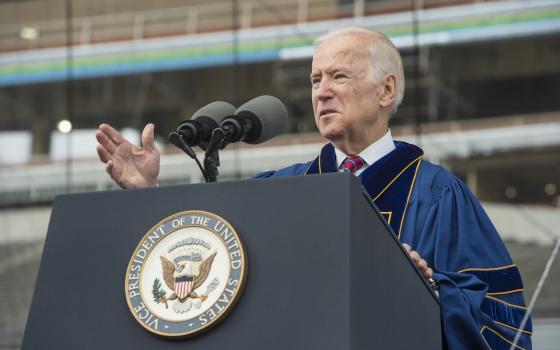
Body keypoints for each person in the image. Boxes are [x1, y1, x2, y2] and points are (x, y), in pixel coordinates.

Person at [96, 27, 532, 349]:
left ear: (387, 89)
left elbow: (505, 321)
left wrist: (429, 290)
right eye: (314, 80)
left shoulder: (438, 194)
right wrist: (146, 194)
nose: (321, 92)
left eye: (338, 76)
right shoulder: (281, 190)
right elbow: (201, 249)